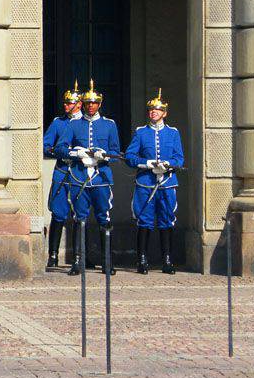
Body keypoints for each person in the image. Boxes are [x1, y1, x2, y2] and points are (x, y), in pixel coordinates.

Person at [55, 79, 120, 276]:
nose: (91, 106)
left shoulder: (109, 125)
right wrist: (76, 153)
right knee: (79, 218)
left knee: (104, 218)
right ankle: (78, 261)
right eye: (88, 103)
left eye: (94, 103)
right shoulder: (74, 125)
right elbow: (60, 148)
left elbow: (116, 153)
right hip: (79, 177)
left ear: (100, 104)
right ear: (83, 104)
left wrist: (103, 155)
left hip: (101, 178)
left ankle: (107, 262)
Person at [125, 89, 184, 274]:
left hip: (166, 183)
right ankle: (142, 260)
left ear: (164, 113)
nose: (153, 113)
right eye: (151, 110)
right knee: (144, 220)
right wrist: (146, 163)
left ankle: (167, 260)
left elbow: (179, 159)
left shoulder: (173, 133)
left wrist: (168, 164)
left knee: (167, 220)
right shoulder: (141, 133)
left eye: (157, 110)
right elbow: (130, 157)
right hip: (146, 182)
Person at [43, 81, 82, 269]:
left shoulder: (85, 124)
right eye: (65, 103)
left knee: (79, 215)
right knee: (58, 213)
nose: (66, 106)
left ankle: (79, 256)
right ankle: (53, 256)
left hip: (80, 172)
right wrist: (57, 152)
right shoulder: (58, 123)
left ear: (79, 104)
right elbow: (46, 145)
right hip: (62, 171)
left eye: (70, 103)